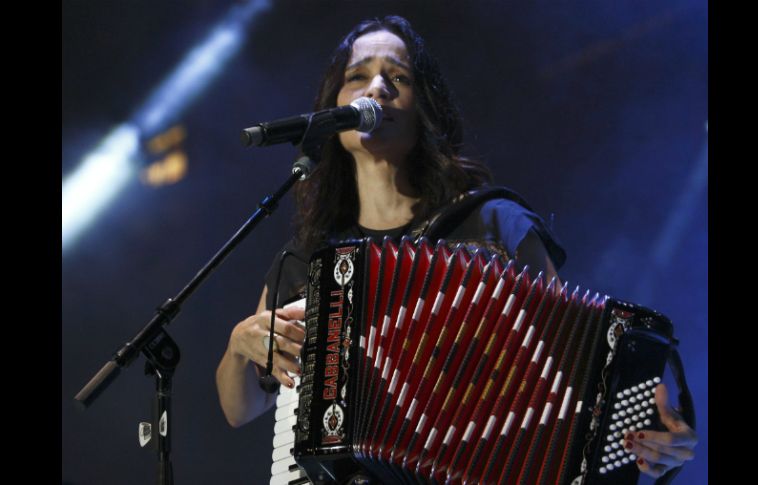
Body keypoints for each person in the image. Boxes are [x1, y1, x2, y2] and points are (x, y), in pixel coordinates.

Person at [215, 15, 696, 480]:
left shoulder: (493, 222)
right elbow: (241, 409)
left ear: (424, 107)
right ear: (331, 107)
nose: (375, 87)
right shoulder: (307, 264)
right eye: (356, 76)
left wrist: (637, 425)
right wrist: (240, 347)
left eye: (397, 76)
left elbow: (572, 366)